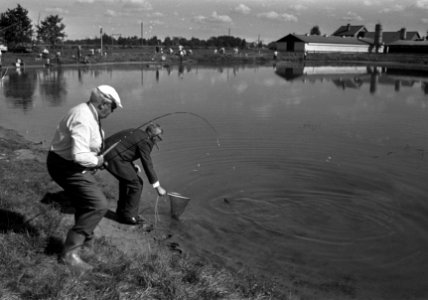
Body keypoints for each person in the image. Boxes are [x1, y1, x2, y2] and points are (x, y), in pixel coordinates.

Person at [46, 85, 122, 272]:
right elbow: (79, 155)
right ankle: (69, 254)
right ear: (104, 104)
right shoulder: (83, 117)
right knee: (98, 205)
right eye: (112, 108)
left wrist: (96, 161)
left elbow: (85, 149)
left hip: (70, 164)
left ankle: (86, 244)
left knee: (86, 201)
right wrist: (96, 161)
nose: (112, 112)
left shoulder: (90, 113)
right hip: (65, 167)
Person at [103, 123, 167, 225]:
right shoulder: (146, 141)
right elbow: (147, 164)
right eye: (158, 138)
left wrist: (132, 166)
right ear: (153, 135)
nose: (158, 141)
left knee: (126, 180)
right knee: (136, 184)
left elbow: (123, 148)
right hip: (113, 158)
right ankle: (130, 217)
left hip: (107, 152)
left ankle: (121, 212)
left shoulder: (136, 132)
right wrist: (157, 187)